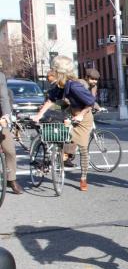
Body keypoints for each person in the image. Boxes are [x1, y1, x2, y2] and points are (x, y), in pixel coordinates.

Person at [32, 55, 96, 192]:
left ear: (59, 71)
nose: (51, 71)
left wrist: (80, 115)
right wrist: (39, 115)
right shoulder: (62, 84)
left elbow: (90, 103)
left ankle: (83, 178)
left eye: (54, 68)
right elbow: (51, 99)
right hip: (71, 113)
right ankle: (58, 157)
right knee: (58, 135)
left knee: (83, 148)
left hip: (83, 117)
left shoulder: (75, 86)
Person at [0, 65, 22, 194]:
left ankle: (11, 179)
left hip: (0, 119)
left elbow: (3, 98)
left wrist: (7, 116)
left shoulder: (1, 77)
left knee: (10, 150)